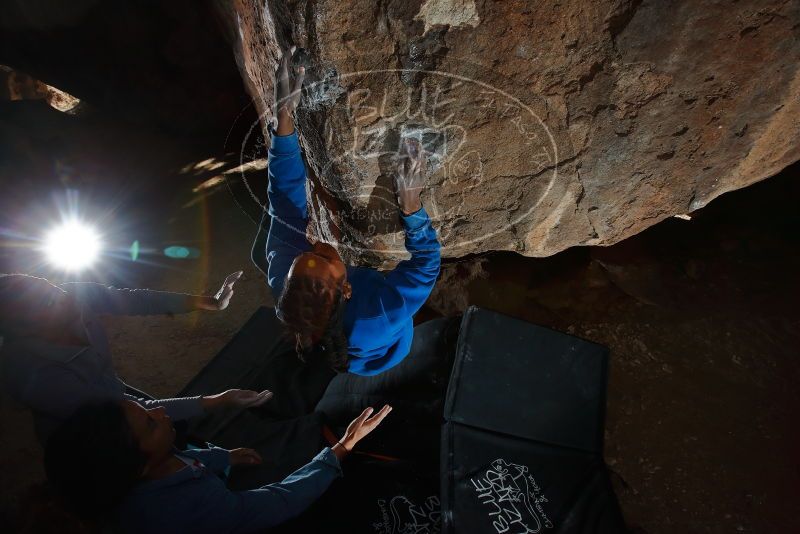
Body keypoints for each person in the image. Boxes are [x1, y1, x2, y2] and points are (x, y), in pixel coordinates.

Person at [253, 47, 441, 376]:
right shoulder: (380, 314)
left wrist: (283, 121)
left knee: (266, 247)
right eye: (326, 260)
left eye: (306, 256)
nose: (319, 248)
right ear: (348, 288)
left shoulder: (285, 280)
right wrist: (411, 207)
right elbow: (426, 267)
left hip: (337, 320)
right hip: (385, 346)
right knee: (395, 330)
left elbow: (284, 199)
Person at [44, 398, 392, 533]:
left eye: (146, 408)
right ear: (136, 468)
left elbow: (181, 458)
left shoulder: (136, 474)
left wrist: (222, 457)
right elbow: (278, 501)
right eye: (150, 423)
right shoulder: (188, 508)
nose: (161, 413)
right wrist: (340, 449)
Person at [0, 272, 272, 442]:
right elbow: (126, 410)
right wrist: (217, 400)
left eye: (48, 285)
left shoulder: (67, 295)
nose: (62, 294)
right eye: (49, 301)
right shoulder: (35, 378)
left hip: (109, 391)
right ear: (30, 328)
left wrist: (206, 302)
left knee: (178, 427)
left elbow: (136, 299)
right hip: (84, 434)